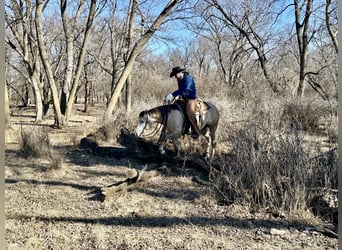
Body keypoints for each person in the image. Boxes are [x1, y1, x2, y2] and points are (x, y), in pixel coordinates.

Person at [165, 66, 201, 139]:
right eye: (174, 75)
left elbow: (184, 88)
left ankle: (195, 130)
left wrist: (173, 94)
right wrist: (177, 96)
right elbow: (180, 90)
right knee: (173, 108)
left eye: (176, 75)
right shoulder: (179, 79)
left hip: (191, 98)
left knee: (189, 112)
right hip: (183, 98)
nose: (175, 77)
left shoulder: (188, 78)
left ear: (180, 73)